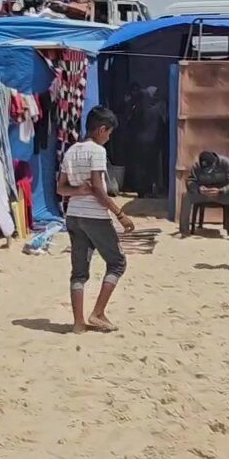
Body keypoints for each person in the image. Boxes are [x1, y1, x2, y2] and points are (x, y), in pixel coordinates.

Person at [56, 106, 134, 333]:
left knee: (79, 272)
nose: (108, 137)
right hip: (95, 217)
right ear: (101, 129)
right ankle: (98, 312)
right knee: (117, 263)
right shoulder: (97, 151)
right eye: (109, 133)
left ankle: (78, 323)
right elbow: (99, 189)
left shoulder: (71, 151)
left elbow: (61, 188)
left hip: (74, 216)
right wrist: (120, 214)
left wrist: (79, 190)